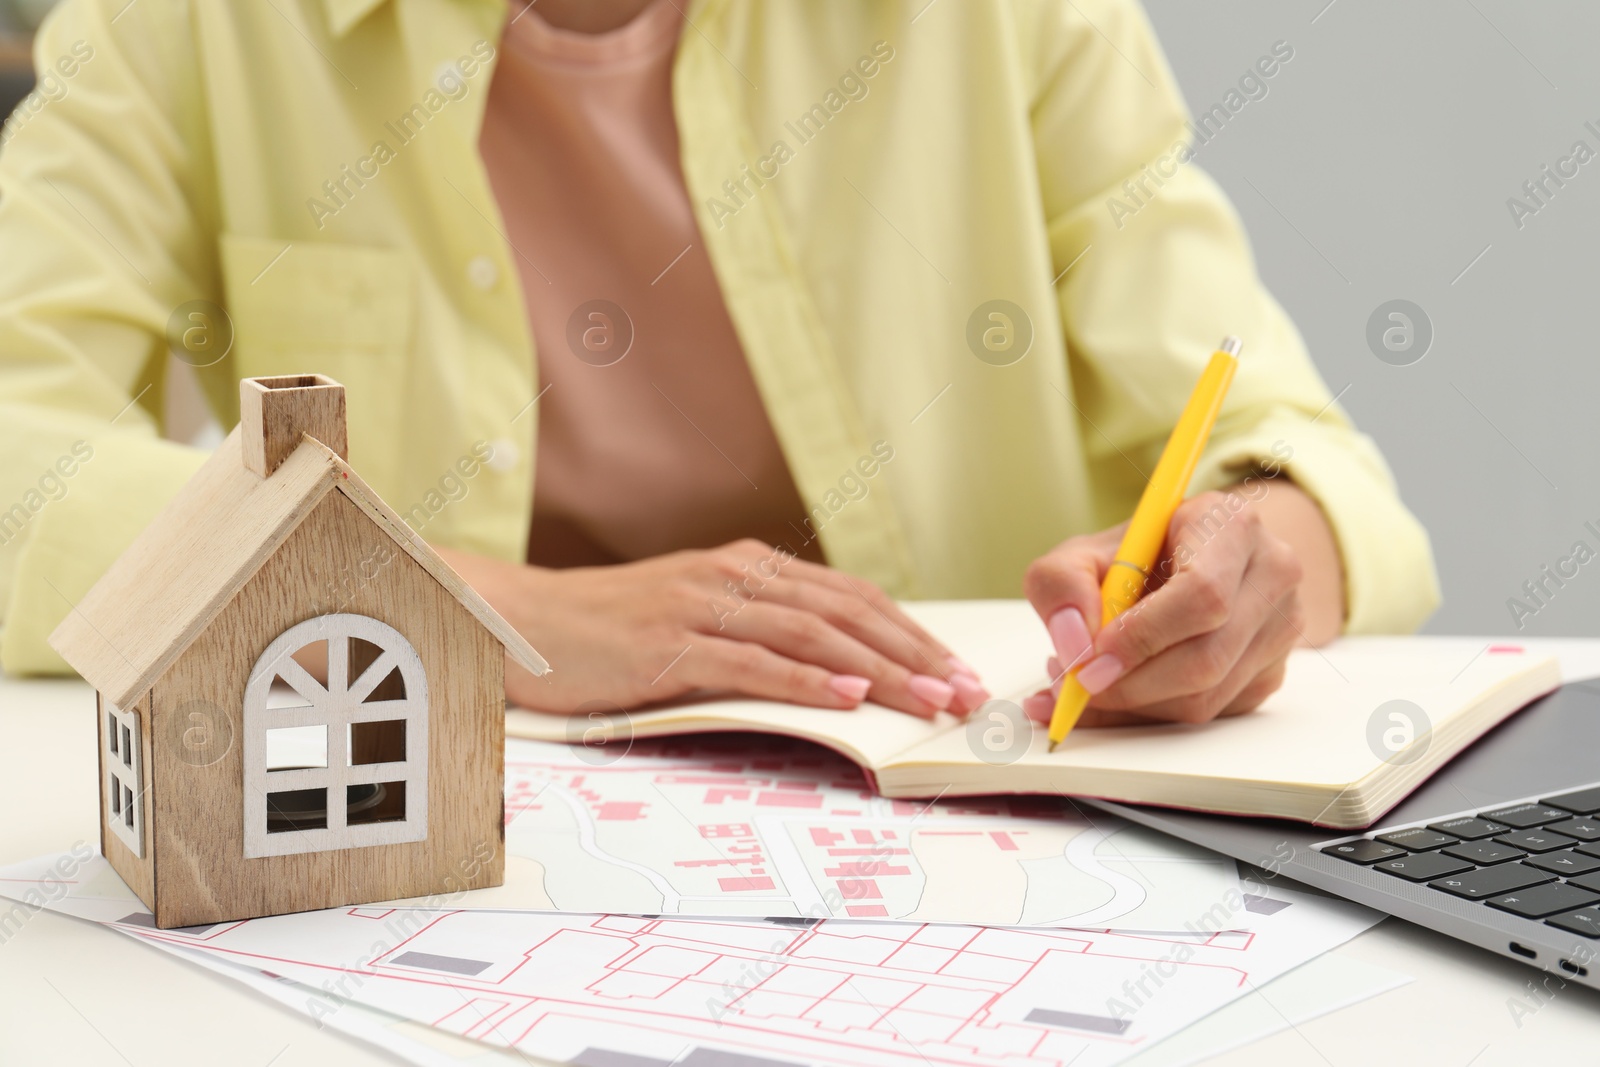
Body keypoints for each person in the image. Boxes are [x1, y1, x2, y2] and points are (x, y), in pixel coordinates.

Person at [0, 0, 1438, 726]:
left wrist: (1257, 557)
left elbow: (1299, 462)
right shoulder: (185, 25)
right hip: (449, 852)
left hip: (971, 835)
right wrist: (482, 615)